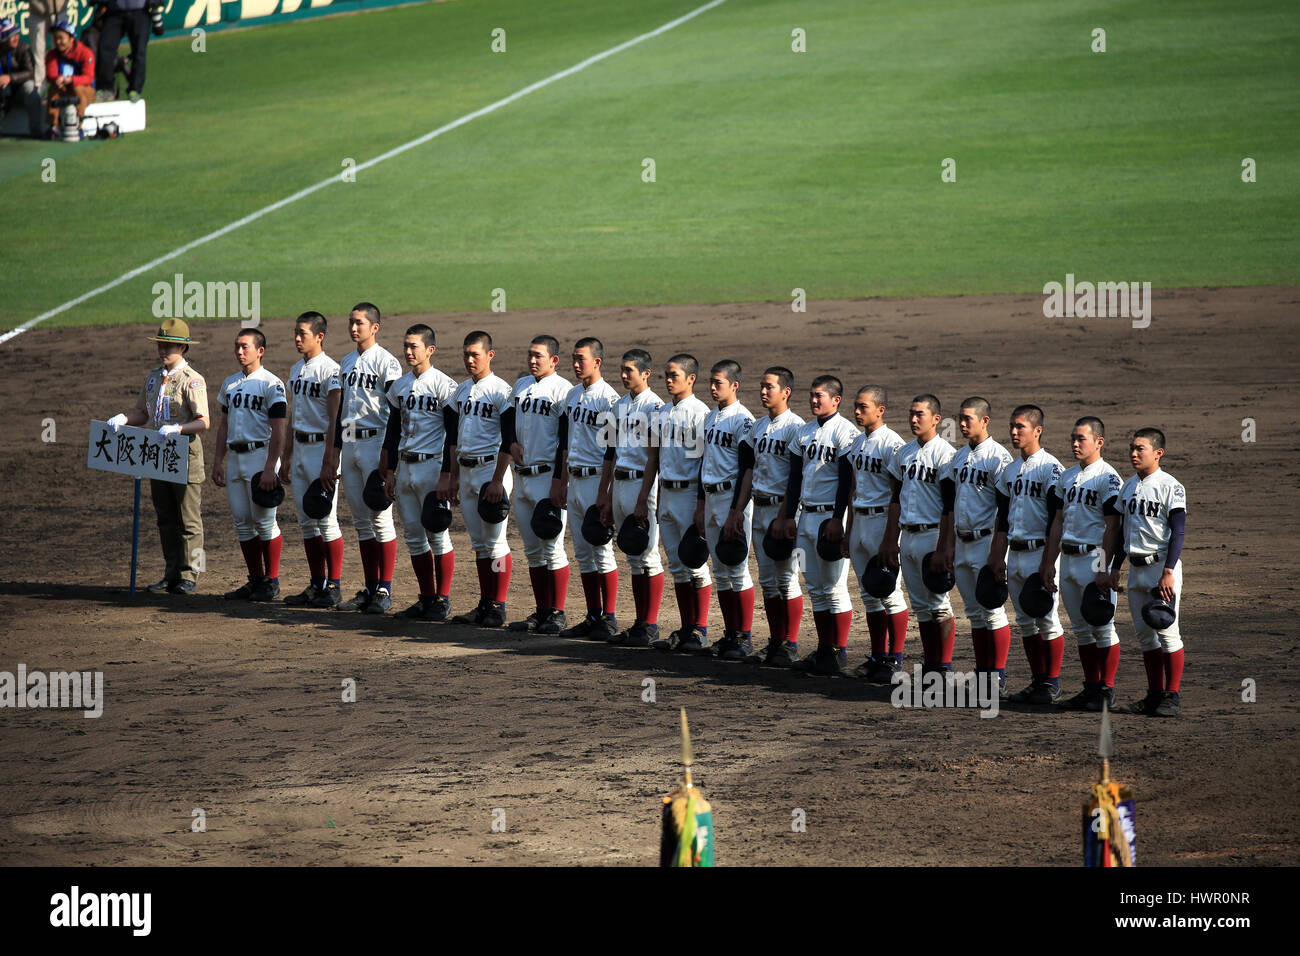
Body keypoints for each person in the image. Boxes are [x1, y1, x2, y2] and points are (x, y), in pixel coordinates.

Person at [104, 318, 209, 594]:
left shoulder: (193, 380)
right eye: (162, 345)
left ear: (183, 348)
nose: (164, 351)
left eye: (171, 346)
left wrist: (179, 428)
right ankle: (171, 572)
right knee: (165, 517)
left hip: (184, 455)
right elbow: (144, 414)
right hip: (158, 455)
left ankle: (190, 575)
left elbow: (204, 421)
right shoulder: (152, 377)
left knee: (188, 518)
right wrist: (124, 419)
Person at [775, 375, 858, 675]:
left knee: (834, 587)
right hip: (805, 516)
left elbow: (846, 482)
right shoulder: (803, 432)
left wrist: (838, 519)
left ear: (836, 400)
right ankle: (825, 648)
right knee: (814, 586)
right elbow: (794, 479)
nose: (813, 401)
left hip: (829, 518)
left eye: (819, 396)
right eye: (811, 395)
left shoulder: (846, 433)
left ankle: (839, 650)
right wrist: (787, 516)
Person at [1040, 416, 1124, 710]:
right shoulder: (1067, 477)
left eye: (1081, 439)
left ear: (1099, 442)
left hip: (1092, 559)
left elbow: (1112, 527)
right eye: (1072, 439)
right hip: (1069, 560)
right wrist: (1049, 561)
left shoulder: (1109, 478)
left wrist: (1103, 567)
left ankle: (1107, 689)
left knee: (1102, 627)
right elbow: (1057, 522)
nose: (1075, 444)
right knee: (1080, 627)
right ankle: (1091, 687)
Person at [324, 303, 402, 614]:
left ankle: (385, 588)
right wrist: (334, 454)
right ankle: (370, 588)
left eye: (360, 323)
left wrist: (390, 459)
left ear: (375, 327)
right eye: (351, 323)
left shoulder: (388, 363)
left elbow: (396, 413)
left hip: (375, 446)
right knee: (362, 523)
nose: (354, 328)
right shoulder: (345, 362)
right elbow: (342, 413)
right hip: (351, 444)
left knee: (381, 519)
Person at [988, 405, 1066, 704]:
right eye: (1011, 426)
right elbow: (1003, 519)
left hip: (1039, 553)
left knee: (1046, 618)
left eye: (1020, 427)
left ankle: (1052, 682)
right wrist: (997, 557)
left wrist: (1049, 561)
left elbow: (1055, 519)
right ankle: (1038, 681)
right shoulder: (1009, 471)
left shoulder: (1051, 468)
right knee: (1024, 620)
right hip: (1015, 553)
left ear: (1038, 430)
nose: (1014, 432)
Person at [935, 397, 1014, 692]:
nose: (962, 424)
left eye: (968, 419)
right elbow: (953, 506)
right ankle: (983, 675)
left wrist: (997, 550)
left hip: (985, 543)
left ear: (985, 421)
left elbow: (1004, 509)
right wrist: (949, 545)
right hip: (963, 542)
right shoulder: (958, 458)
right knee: (974, 612)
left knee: (992, 611)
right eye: (960, 419)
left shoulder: (998, 458)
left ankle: (998, 677)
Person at [381, 324, 458, 622]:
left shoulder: (444, 385)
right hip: (406, 467)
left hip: (431, 467)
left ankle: (443, 598)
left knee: (437, 534)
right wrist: (388, 469)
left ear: (430, 350)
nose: (409, 351)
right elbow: (392, 431)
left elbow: (453, 435)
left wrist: (447, 473)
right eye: (406, 345)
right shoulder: (399, 387)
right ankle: (426, 597)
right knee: (414, 537)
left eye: (414, 346)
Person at [1109, 428, 1187, 717]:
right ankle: (1154, 695)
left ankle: (1173, 695)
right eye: (1131, 448)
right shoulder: (1128, 486)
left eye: (1140, 449)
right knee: (1145, 637)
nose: (1133, 453)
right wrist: (1114, 567)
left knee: (1167, 632)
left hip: (1160, 567)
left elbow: (1178, 531)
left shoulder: (1171, 486)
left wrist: (1168, 571)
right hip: (1136, 569)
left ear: (1158, 453)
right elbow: (1120, 534)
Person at [729, 367, 803, 666]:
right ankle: (775, 641)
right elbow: (748, 471)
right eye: (761, 386)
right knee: (768, 580)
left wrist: (786, 516)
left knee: (787, 578)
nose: (763, 391)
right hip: (759, 508)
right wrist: (737, 509)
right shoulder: (757, 428)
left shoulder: (796, 427)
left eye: (769, 387)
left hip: (782, 512)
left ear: (785, 392)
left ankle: (790, 643)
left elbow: (795, 478)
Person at [878, 395, 958, 673]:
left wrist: (945, 547)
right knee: (921, 607)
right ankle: (931, 664)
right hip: (908, 536)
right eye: (911, 414)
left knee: (938, 603)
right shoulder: (904, 453)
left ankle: (944, 667)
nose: (913, 419)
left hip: (932, 536)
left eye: (920, 415)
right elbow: (895, 499)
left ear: (936, 419)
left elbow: (950, 506)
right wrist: (890, 539)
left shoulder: (946, 455)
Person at [640, 354, 711, 653]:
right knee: (678, 566)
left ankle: (700, 629)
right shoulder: (660, 412)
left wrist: (699, 504)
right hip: (666, 494)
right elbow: (653, 459)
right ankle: (685, 628)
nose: (668, 380)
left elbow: (703, 463)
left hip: (689, 494)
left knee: (695, 564)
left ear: (691, 378)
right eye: (666, 375)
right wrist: (645, 497)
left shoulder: (699, 413)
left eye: (674, 375)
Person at [212, 328, 288, 602]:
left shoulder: (272, 384)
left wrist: (271, 467)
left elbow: (279, 428)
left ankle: (272, 580)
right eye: (237, 347)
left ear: (260, 351)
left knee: (265, 522)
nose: (239, 351)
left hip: (260, 456)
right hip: (235, 458)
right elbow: (223, 426)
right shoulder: (229, 384)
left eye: (245, 347)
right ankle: (256, 580)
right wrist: (218, 460)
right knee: (243, 522)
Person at [445, 331, 515, 628]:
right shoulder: (459, 392)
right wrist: (453, 477)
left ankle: (498, 606)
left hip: (491, 472)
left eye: (475, 354)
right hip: (467, 471)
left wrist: (498, 480)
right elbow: (453, 439)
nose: (469, 359)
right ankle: (485, 603)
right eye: (466, 354)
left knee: (496, 541)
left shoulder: (502, 391)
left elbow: (509, 439)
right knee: (480, 544)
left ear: (490, 355)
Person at [596, 348, 665, 644]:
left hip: (642, 487)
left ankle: (649, 624)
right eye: (622, 370)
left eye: (629, 371)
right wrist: (606, 494)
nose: (624, 376)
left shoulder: (656, 407)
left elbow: (655, 457)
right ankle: (640, 623)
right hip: (621, 485)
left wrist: (642, 498)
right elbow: (611, 453)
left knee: (648, 557)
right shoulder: (619, 405)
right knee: (633, 557)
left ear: (646, 374)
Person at [505, 335, 573, 634]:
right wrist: (510, 443)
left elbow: (567, 440)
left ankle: (557, 612)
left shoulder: (563, 390)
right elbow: (507, 420)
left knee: (552, 547)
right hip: (521, 478)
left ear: (554, 360)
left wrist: (560, 480)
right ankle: (542, 610)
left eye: (539, 356)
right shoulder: (520, 385)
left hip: (548, 478)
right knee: (533, 550)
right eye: (530, 355)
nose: (533, 361)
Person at [553, 337, 620, 639]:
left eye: (582, 358)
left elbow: (612, 450)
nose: (576, 364)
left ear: (597, 362)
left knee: (601, 550)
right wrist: (563, 480)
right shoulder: (571, 395)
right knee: (582, 552)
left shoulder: (609, 399)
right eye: (574, 358)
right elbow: (566, 443)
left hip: (596, 482)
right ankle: (593, 616)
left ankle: (610, 618)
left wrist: (605, 491)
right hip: (575, 480)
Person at [843, 385, 909, 681]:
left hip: (882, 523)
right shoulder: (858, 443)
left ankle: (895, 659)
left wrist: (890, 539)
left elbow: (898, 494)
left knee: (890, 593)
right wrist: (847, 531)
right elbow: (853, 489)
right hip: (859, 522)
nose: (857, 412)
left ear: (880, 410)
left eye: (863, 407)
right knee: (869, 594)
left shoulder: (892, 444)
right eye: (855, 407)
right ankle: (877, 655)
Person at [278, 312, 344, 608]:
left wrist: (330, 460)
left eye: (302, 333)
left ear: (319, 336)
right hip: (302, 450)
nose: (297, 338)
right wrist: (287, 455)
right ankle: (316, 584)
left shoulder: (331, 371)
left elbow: (334, 419)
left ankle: (335, 585)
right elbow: (294, 416)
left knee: (326, 520)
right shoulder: (295, 370)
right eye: (295, 332)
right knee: (307, 522)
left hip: (321, 451)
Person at [699, 360, 756, 659]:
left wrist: (737, 510)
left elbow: (747, 469)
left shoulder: (743, 420)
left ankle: (744, 637)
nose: (711, 387)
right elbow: (704, 462)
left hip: (732, 500)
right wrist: (700, 505)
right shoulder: (710, 417)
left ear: (734, 385)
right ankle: (731, 633)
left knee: (737, 569)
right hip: (710, 498)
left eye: (718, 382)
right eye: (710, 381)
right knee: (720, 571)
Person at [43, 19, 94, 138]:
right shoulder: (52, 55)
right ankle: (53, 127)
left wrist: (72, 80)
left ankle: (79, 126)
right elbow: (50, 74)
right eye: (56, 38)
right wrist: (57, 79)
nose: (58, 42)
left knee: (78, 88)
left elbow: (88, 78)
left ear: (71, 38)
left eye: (61, 38)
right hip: (63, 89)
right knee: (53, 89)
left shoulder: (85, 53)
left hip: (86, 91)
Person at [93, 0, 152, 102]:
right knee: (105, 47)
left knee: (139, 52)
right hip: (115, 10)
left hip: (140, 10)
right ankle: (106, 88)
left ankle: (135, 89)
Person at [1, 17, 42, 139]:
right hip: (2, 91)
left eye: (16, 34)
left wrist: (10, 78)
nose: (16, 38)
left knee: (30, 88)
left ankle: (36, 131)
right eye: (10, 35)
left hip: (18, 90)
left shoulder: (24, 48)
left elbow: (30, 72)